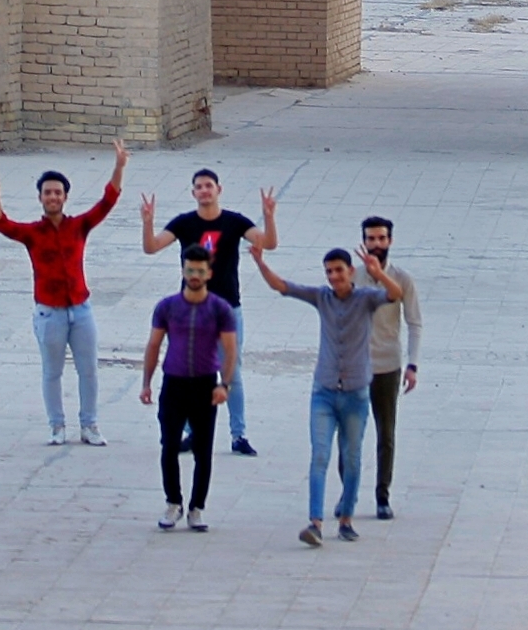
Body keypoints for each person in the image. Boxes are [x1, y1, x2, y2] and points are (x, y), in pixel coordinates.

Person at [250, 240, 402, 547]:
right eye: (329, 272)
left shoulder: (365, 299)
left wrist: (378, 272)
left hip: (356, 392)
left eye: (339, 271)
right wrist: (260, 263)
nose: (333, 277)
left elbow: (395, 295)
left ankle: (346, 518)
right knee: (320, 454)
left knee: (353, 457)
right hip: (324, 392)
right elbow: (282, 286)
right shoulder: (322, 297)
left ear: (350, 272)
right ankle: (315, 522)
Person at [0, 139, 129, 446]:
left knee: (88, 370)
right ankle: (57, 426)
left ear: (65, 197)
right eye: (48, 192)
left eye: (58, 192)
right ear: (40, 197)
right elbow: (0, 222)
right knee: (52, 372)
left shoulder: (79, 226)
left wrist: (118, 167)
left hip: (81, 309)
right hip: (49, 312)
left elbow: (108, 201)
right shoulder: (32, 234)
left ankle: (89, 424)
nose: (53, 196)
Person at [141, 167, 278, 455]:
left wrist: (268, 215)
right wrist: (148, 222)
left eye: (209, 186)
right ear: (193, 193)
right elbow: (152, 247)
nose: (204, 191)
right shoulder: (184, 223)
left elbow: (269, 243)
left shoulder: (234, 221)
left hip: (228, 307)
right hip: (191, 309)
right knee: (192, 371)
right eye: (199, 187)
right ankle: (192, 433)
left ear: (219, 189)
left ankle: (238, 434)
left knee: (233, 371)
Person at [139, 247, 238, 531]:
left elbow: (230, 351)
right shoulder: (167, 307)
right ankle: (173, 502)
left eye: (200, 271)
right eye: (190, 270)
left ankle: (197, 507)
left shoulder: (220, 309)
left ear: (209, 273)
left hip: (206, 384)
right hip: (174, 384)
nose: (195, 275)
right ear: (183, 271)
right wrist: (146, 383)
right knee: (169, 445)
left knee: (203, 450)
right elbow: (154, 345)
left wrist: (225, 384)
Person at [357, 215, 423, 520]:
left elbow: (414, 322)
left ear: (390, 241)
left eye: (381, 239)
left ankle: (382, 495)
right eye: (371, 239)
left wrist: (412, 365)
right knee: (350, 433)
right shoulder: (353, 277)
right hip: (355, 366)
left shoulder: (402, 279)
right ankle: (348, 494)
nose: (376, 244)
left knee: (386, 433)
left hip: (387, 365)